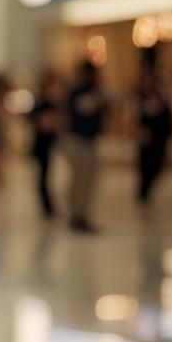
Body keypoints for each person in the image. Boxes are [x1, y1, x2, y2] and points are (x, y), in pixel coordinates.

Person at [64, 60, 108, 232]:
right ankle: (77, 214)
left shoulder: (96, 91)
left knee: (89, 179)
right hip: (78, 140)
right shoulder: (77, 91)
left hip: (90, 141)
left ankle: (83, 213)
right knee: (80, 179)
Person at [131, 61, 172, 206]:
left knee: (158, 164)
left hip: (159, 136)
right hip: (145, 136)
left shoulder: (161, 94)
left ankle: (147, 188)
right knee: (144, 165)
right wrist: (138, 130)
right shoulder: (139, 95)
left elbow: (168, 116)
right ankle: (143, 192)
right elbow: (135, 115)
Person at [30, 69, 62, 218]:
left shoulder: (52, 103)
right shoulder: (42, 103)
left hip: (50, 144)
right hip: (42, 144)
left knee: (47, 176)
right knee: (43, 176)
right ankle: (47, 207)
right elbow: (43, 124)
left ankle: (49, 206)